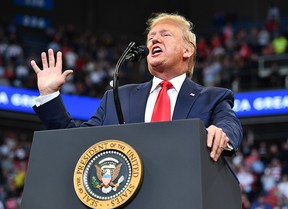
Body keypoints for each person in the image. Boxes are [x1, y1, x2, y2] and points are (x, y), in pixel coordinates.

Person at [30, 12, 243, 162]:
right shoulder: (118, 97)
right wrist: (49, 95)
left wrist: (221, 132)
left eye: (165, 34)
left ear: (187, 51)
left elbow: (230, 125)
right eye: (151, 37)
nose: (153, 40)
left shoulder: (213, 97)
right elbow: (76, 143)